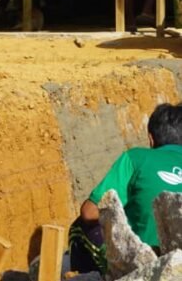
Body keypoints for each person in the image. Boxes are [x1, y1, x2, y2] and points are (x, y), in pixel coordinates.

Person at [69, 102, 182, 274]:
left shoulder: (136, 158)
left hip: (148, 268)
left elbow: (90, 212)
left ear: (151, 139)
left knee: (79, 228)